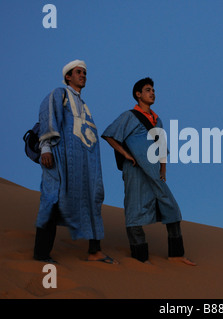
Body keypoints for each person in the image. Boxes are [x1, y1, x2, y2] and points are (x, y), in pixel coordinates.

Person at [102, 77, 195, 266]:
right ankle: (140, 258)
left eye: (153, 90)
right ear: (138, 94)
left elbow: (161, 146)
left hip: (154, 171)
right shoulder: (129, 116)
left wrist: (163, 169)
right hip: (135, 171)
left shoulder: (157, 120)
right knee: (135, 212)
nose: (152, 93)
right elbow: (109, 135)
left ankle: (176, 254)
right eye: (147, 90)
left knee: (172, 209)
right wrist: (126, 155)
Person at [33, 59, 117, 264]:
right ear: (68, 76)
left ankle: (95, 251)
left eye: (85, 73)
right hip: (60, 160)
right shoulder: (59, 94)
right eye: (78, 72)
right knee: (53, 200)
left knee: (92, 200)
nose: (83, 76)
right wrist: (46, 148)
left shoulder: (84, 105)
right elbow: (48, 117)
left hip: (84, 164)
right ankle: (41, 254)